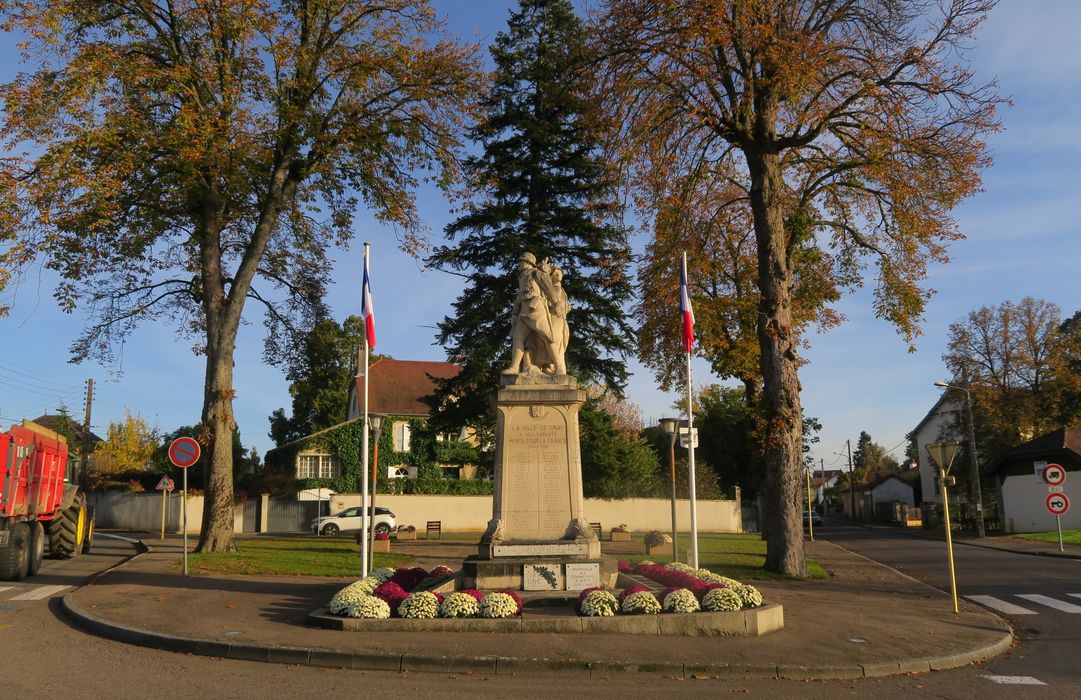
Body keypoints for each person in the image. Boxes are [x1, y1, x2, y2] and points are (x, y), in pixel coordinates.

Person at [505, 253, 569, 375]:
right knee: (518, 337)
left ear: (528, 263)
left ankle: (559, 368)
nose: (519, 264)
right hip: (524, 310)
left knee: (548, 338)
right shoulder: (521, 277)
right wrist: (514, 313)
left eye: (522, 261)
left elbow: (548, 287)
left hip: (536, 309)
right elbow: (519, 297)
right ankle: (514, 367)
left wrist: (556, 303)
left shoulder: (536, 273)